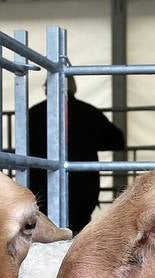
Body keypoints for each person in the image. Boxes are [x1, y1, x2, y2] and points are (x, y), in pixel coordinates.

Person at [28, 75, 126, 233]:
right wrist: (88, 141)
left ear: (47, 88)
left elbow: (23, 146)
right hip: (83, 183)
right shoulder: (89, 112)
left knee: (43, 226)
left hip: (41, 182)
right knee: (79, 227)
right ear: (73, 88)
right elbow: (117, 141)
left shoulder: (34, 113)